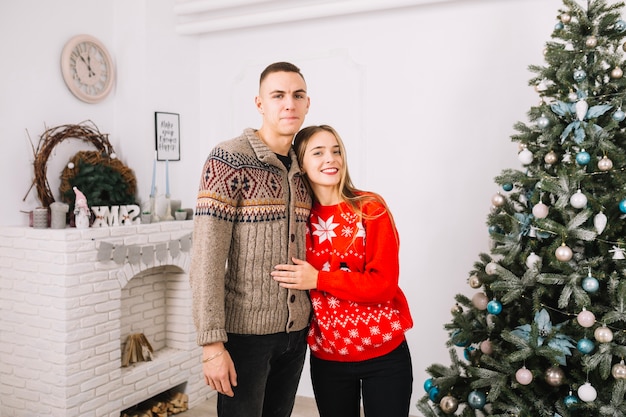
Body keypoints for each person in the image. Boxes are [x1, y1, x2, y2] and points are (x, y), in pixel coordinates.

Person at [189, 62, 313, 417]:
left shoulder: (305, 168)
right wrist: (212, 345)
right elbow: (207, 259)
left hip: (295, 334)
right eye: (278, 95)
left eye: (297, 95)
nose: (289, 104)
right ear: (260, 103)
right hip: (245, 336)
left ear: (307, 104)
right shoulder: (229, 159)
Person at [271, 125, 414, 417]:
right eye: (319, 152)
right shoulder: (299, 220)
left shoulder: (370, 209)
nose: (331, 159)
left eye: (336, 151)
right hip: (328, 360)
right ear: (301, 163)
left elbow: (383, 285)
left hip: (384, 355)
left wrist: (319, 279)